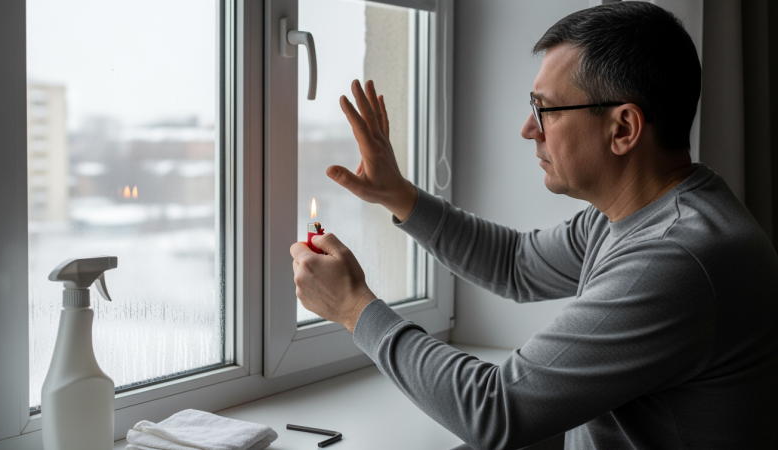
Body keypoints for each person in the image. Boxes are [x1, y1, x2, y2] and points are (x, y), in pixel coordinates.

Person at [289, 3, 778, 449]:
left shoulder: (676, 257)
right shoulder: (635, 216)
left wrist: (354, 309)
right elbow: (515, 263)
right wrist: (398, 194)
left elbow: (495, 410)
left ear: (623, 128)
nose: (528, 129)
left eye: (545, 109)